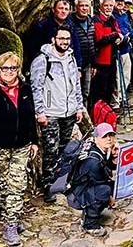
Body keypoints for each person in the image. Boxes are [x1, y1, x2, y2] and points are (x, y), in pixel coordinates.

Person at [0, 52, 39, 247]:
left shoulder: (25, 89)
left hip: (21, 146)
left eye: (13, 68)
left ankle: (10, 226)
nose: (9, 72)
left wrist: (34, 141)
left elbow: (31, 117)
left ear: (18, 70)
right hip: (0, 148)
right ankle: (12, 219)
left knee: (19, 184)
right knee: (5, 188)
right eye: (5, 68)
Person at [29, 26, 85, 203]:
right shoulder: (43, 60)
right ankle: (48, 186)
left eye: (67, 39)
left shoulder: (71, 58)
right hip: (51, 112)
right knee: (51, 150)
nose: (65, 42)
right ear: (54, 39)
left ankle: (61, 181)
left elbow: (76, 84)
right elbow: (36, 88)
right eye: (61, 38)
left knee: (63, 149)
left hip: (68, 111)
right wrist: (40, 112)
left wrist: (79, 107)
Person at [70, 123, 117, 237]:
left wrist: (114, 157)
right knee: (104, 191)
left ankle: (91, 211)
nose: (109, 139)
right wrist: (111, 199)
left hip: (84, 186)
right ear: (96, 138)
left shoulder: (98, 149)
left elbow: (107, 168)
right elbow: (102, 179)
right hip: (77, 194)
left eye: (111, 135)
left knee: (113, 186)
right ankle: (90, 224)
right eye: (105, 136)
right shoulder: (93, 160)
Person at [24, 0, 82, 71]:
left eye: (66, 9)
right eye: (60, 8)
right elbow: (33, 48)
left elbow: (76, 47)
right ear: (53, 10)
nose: (63, 11)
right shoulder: (43, 26)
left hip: (67, 65)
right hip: (47, 66)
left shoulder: (71, 26)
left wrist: (78, 67)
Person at [92, 0, 123, 109]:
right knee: (100, 89)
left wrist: (118, 35)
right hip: (101, 60)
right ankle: (99, 114)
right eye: (106, 5)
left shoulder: (112, 18)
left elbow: (118, 30)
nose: (109, 8)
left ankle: (107, 112)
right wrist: (115, 35)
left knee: (110, 87)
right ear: (101, 6)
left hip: (112, 58)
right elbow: (100, 39)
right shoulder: (97, 20)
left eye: (111, 5)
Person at [112, 0, 133, 105]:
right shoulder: (112, 16)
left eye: (122, 0)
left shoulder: (124, 14)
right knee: (117, 77)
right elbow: (120, 32)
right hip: (117, 50)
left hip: (126, 49)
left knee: (126, 75)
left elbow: (129, 29)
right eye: (118, 1)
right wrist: (128, 36)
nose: (120, 3)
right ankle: (116, 101)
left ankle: (123, 97)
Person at [70, 0, 97, 102]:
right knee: (75, 93)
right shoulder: (70, 22)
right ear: (76, 7)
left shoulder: (90, 21)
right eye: (82, 5)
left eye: (87, 5)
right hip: (75, 64)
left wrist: (94, 64)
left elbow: (92, 43)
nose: (85, 8)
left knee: (86, 92)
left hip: (88, 63)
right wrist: (77, 67)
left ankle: (85, 117)